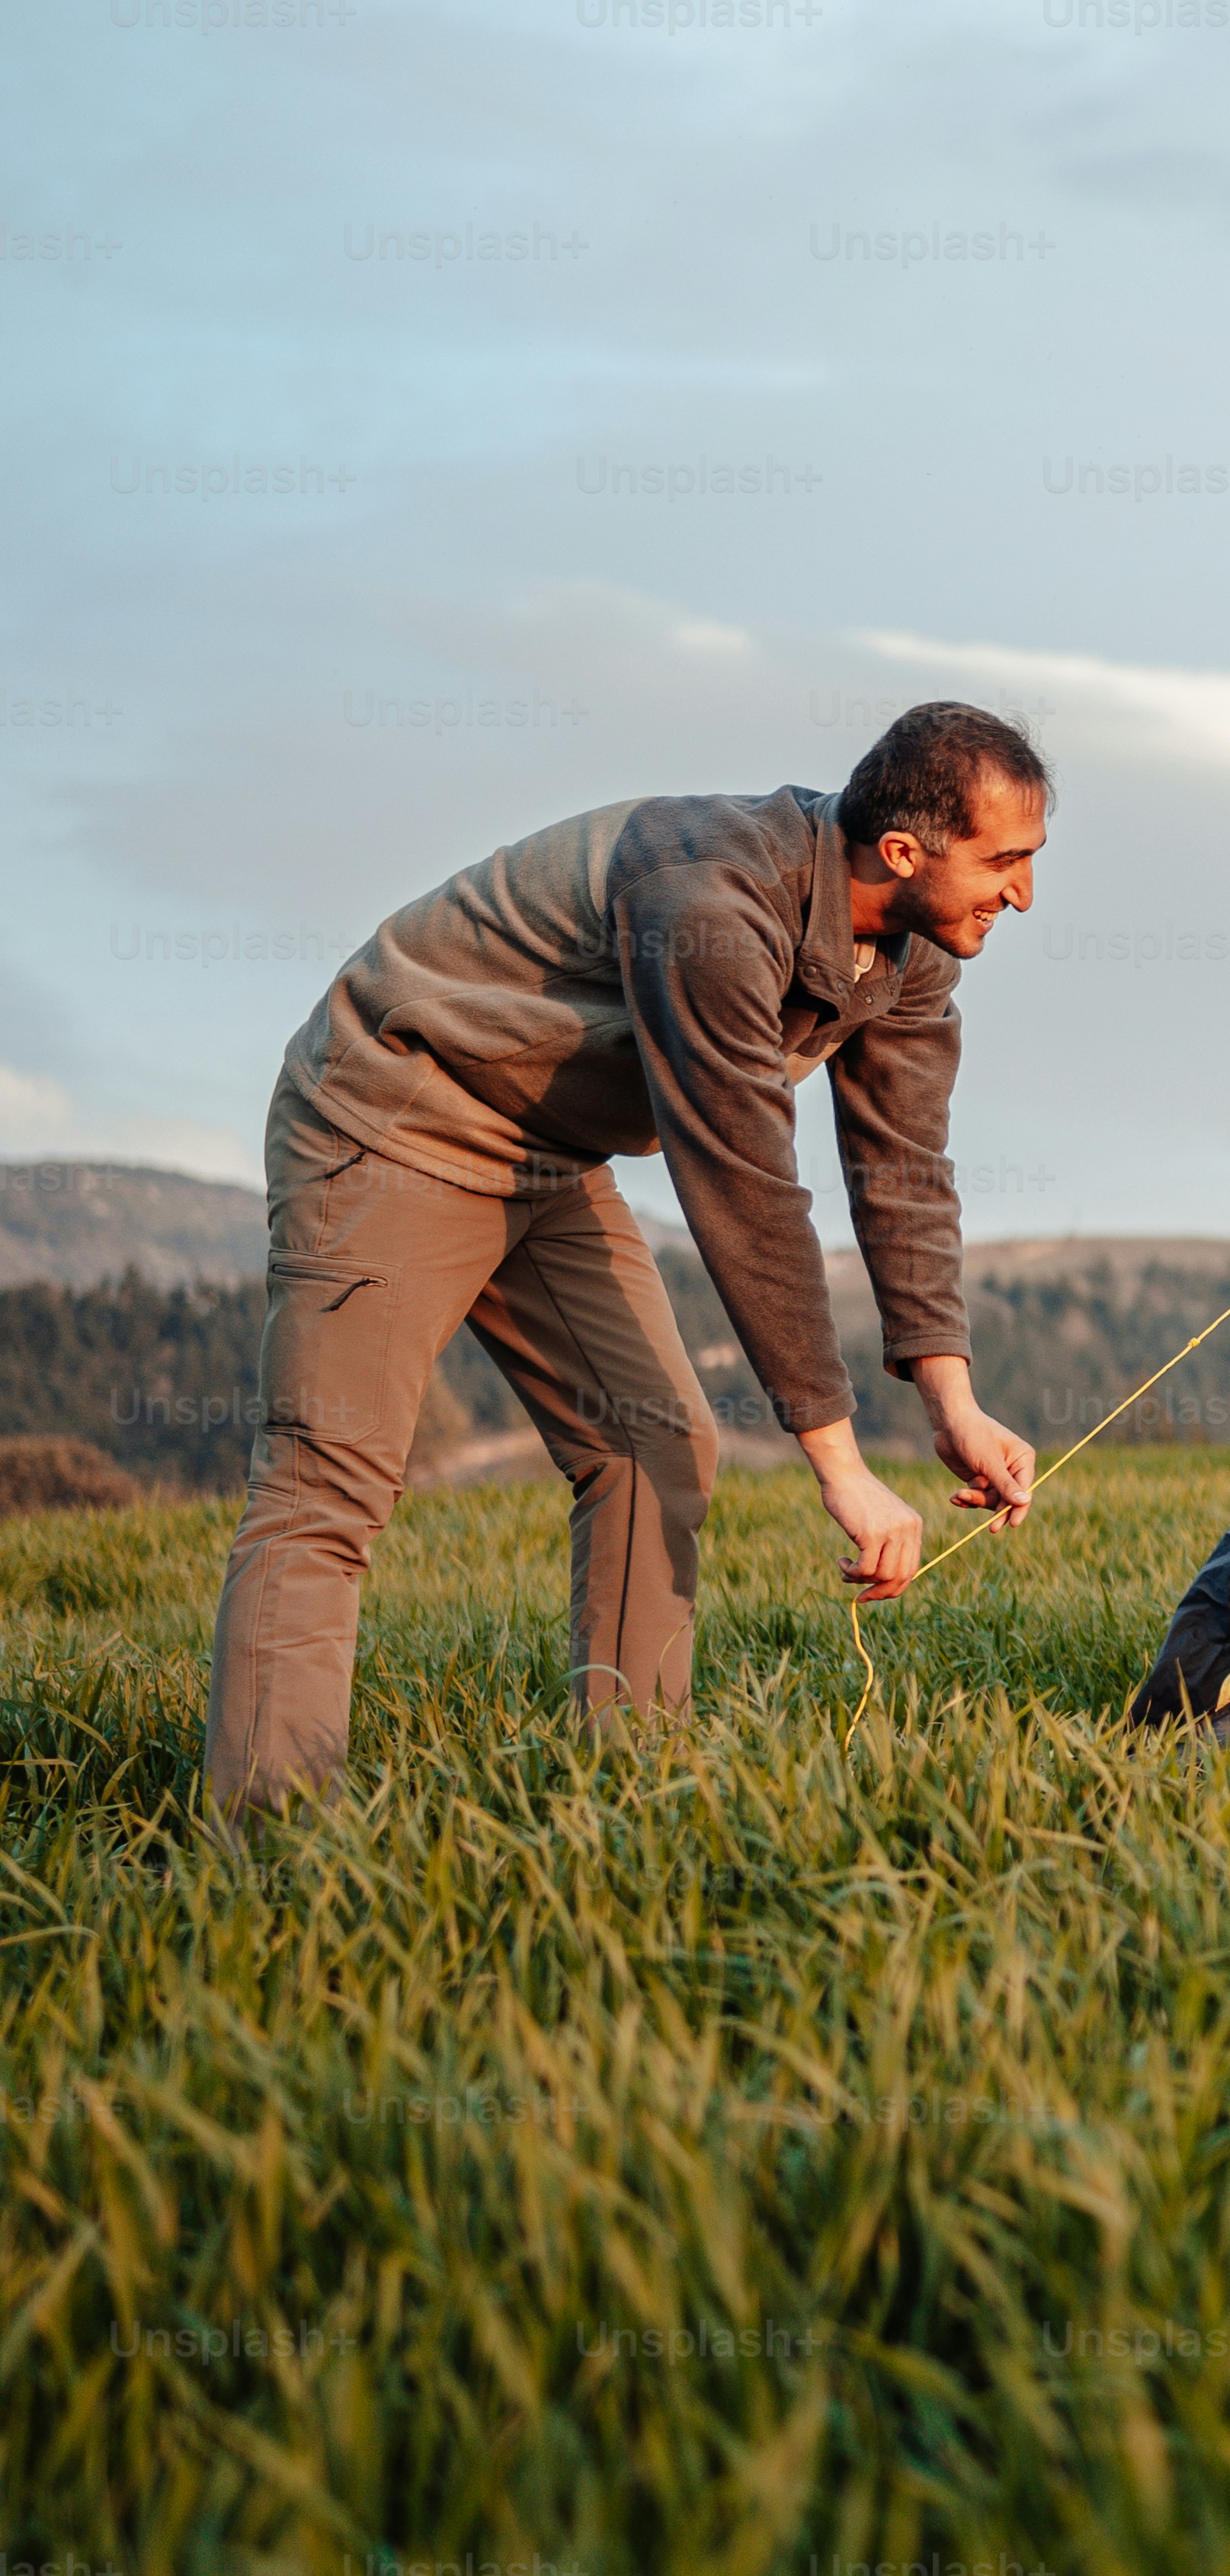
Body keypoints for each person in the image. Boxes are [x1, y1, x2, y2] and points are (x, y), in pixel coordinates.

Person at [204, 703, 1055, 1812]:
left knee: (656, 1445)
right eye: (1006, 861)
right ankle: (266, 1846)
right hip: (396, 1110)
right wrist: (842, 1470)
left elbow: (901, 1167)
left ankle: (635, 1801)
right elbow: (745, 1185)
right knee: (329, 1481)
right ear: (903, 851)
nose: (1023, 895)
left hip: (547, 1146)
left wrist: (952, 1397)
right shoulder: (705, 898)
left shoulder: (910, 951)